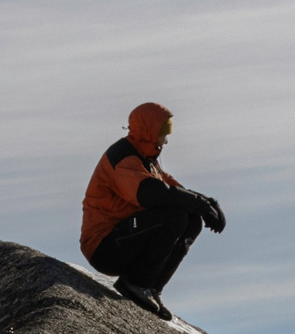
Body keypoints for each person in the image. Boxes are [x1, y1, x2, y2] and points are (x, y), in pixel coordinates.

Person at [80, 101, 225, 319]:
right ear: (148, 129)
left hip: (124, 239)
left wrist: (208, 203)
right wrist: (201, 204)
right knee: (173, 216)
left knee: (191, 219)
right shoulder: (122, 157)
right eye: (164, 131)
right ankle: (136, 283)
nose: (166, 139)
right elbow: (151, 193)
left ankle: (151, 288)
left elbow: (172, 187)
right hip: (105, 246)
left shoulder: (147, 159)